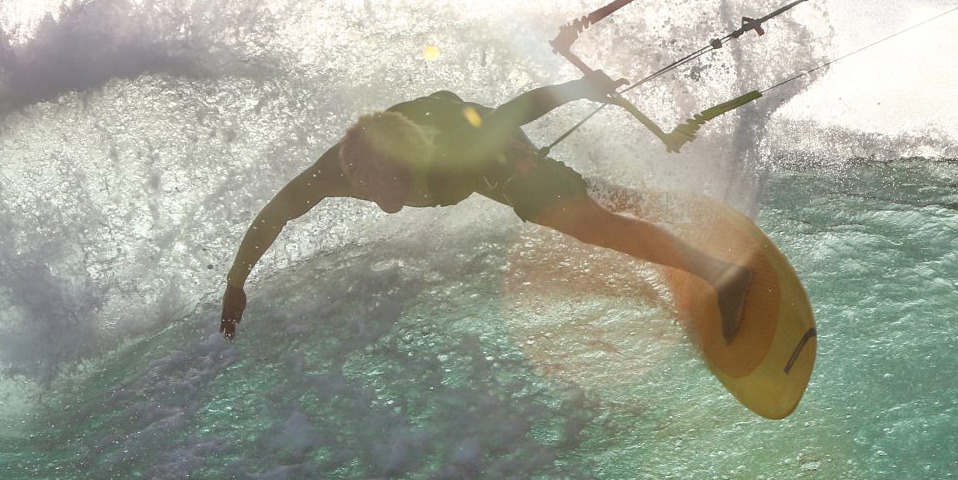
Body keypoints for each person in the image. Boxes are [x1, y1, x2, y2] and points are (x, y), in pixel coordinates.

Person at [220, 69, 753, 343]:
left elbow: (518, 108)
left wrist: (581, 87)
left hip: (474, 130)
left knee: (574, 217)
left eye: (394, 183)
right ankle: (653, 205)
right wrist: (236, 282)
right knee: (568, 196)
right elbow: (275, 213)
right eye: (372, 186)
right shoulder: (336, 172)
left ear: (410, 162)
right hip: (429, 122)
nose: (385, 198)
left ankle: (723, 276)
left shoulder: (455, 156)